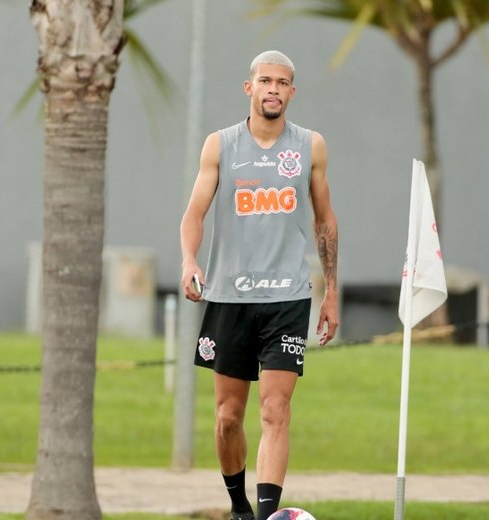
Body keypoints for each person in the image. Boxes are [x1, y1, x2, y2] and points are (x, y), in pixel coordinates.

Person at [179, 50, 339, 520]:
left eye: (282, 82)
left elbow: (325, 222)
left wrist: (331, 291)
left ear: (292, 92)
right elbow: (194, 213)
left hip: (288, 298)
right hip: (229, 297)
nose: (273, 89)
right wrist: (190, 260)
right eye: (265, 81)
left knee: (275, 410)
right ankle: (239, 508)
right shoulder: (220, 145)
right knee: (228, 417)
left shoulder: (310, 146)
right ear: (249, 88)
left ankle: (268, 515)